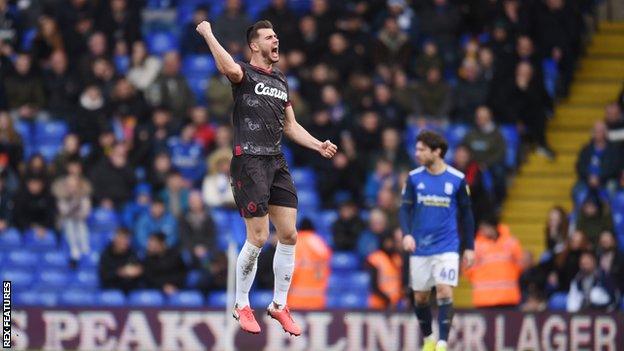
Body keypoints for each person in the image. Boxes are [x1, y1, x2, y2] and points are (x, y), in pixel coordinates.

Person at [196, 20, 337, 335]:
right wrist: (208, 33)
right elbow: (227, 68)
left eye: (277, 35)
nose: (276, 40)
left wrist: (318, 145)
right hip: (249, 160)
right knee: (259, 237)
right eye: (270, 37)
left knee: (289, 235)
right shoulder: (244, 74)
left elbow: (290, 126)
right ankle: (242, 304)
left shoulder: (282, 80)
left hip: (276, 160)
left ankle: (278, 305)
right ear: (255, 45)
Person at [399, 130, 475, 351]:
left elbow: (467, 215)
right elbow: (405, 210)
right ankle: (429, 338)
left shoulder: (458, 180)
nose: (417, 153)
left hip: (447, 246)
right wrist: (407, 234)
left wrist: (469, 247)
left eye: (422, 149)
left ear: (437, 151)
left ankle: (442, 343)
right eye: (416, 149)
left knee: (444, 290)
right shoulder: (413, 178)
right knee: (421, 298)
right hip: (421, 247)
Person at [465, 217, 523, 308]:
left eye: (485, 228)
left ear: (493, 227)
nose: (482, 231)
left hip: (508, 298)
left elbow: (520, 265)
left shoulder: (511, 243)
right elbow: (468, 270)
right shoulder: (476, 246)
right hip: (484, 299)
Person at [288, 218, 332, 310]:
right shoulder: (320, 243)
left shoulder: (297, 243)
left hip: (296, 300)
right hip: (317, 300)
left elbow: (291, 271)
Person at [98, 228, 143, 293]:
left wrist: (138, 271)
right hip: (111, 290)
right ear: (115, 239)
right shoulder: (106, 254)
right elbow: (104, 275)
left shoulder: (132, 252)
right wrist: (120, 272)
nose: (125, 242)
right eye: (122, 238)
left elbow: (139, 268)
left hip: (131, 290)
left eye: (127, 239)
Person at [366, 232, 403, 310]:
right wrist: (387, 299)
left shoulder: (397, 258)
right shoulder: (376, 258)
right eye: (387, 242)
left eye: (391, 241)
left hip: (396, 305)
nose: (389, 244)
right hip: (378, 304)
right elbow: (373, 285)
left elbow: (401, 281)